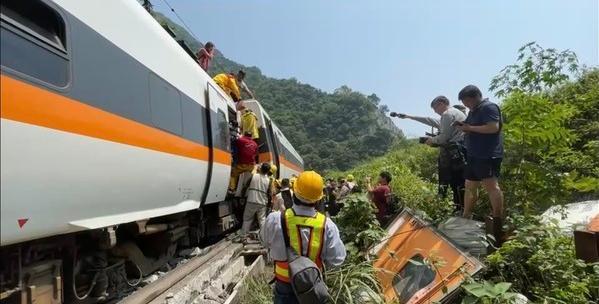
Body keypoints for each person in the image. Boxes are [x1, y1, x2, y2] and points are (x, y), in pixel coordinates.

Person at [261, 171, 346, 304]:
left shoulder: (275, 219)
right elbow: (337, 260)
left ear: (294, 191)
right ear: (319, 198)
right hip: (312, 287)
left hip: (284, 284)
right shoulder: (327, 225)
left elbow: (264, 242)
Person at [392, 96, 467, 212]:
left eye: (435, 108)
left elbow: (444, 138)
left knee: (456, 183)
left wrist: (432, 140)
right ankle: (461, 209)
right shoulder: (454, 113)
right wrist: (409, 117)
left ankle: (461, 210)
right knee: (459, 183)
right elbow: (431, 121)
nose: (435, 111)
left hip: (455, 155)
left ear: (441, 104)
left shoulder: (447, 114)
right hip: (461, 152)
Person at [456, 85, 504, 245]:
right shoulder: (473, 111)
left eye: (467, 101)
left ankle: (497, 220)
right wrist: (463, 125)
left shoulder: (489, 107)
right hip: (473, 155)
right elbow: (470, 127)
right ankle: (466, 217)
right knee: (469, 186)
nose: (466, 105)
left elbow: (493, 127)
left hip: (487, 154)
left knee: (492, 187)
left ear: (475, 96)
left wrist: (469, 127)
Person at [242, 163, 272, 240]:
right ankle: (264, 237)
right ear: (268, 171)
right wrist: (269, 204)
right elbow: (269, 193)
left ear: (260, 168)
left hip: (251, 200)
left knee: (247, 219)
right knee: (262, 220)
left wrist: (242, 194)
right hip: (262, 202)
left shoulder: (254, 176)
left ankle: (244, 236)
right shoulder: (268, 180)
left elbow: (246, 185)